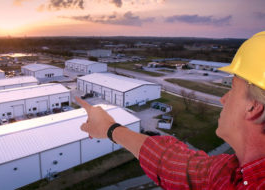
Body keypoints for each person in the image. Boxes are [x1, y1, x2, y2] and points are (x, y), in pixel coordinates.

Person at [75, 31, 265, 189]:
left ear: (253, 106)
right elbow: (171, 164)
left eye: (232, 88)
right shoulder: (228, 173)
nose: (223, 99)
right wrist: (110, 129)